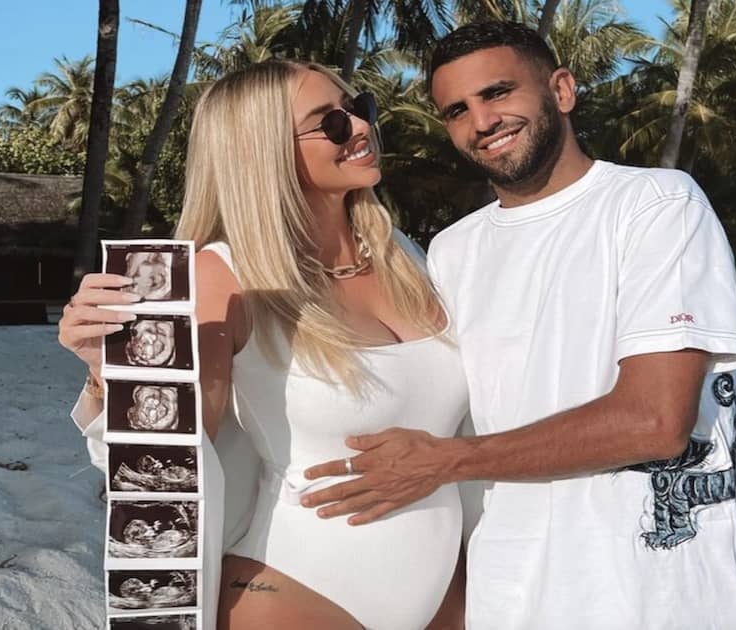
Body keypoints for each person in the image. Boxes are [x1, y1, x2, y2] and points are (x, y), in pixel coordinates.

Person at [300, 21, 736, 629]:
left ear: (562, 90)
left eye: (498, 93)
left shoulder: (655, 204)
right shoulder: (450, 251)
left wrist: (446, 461)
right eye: (457, 110)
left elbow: (655, 421)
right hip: (512, 591)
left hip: (658, 593)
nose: (482, 121)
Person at [58, 59, 469, 629]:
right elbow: (169, 463)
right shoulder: (222, 277)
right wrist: (109, 373)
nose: (359, 127)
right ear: (264, 150)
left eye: (359, 108)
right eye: (330, 123)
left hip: (443, 584)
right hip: (297, 587)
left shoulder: (402, 253)